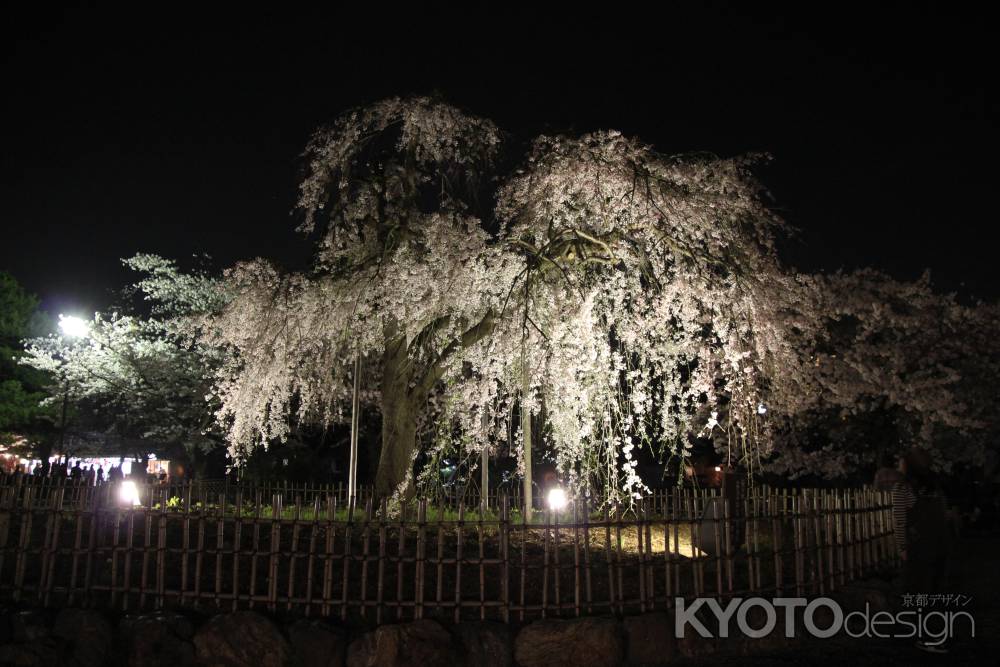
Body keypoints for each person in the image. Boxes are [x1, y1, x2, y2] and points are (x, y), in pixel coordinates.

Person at [892, 447, 953, 653]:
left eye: (902, 462)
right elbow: (943, 515)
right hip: (938, 543)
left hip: (918, 546)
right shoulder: (934, 487)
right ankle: (933, 634)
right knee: (933, 591)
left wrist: (902, 546)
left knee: (918, 591)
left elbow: (899, 521)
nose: (899, 465)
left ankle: (923, 635)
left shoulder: (903, 488)